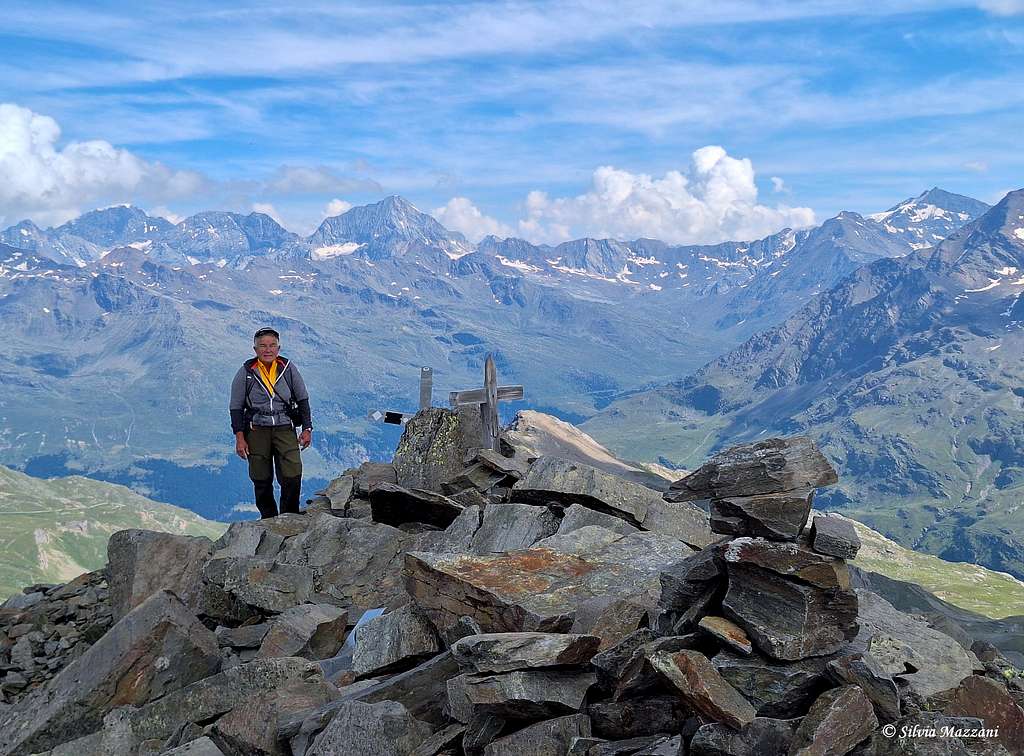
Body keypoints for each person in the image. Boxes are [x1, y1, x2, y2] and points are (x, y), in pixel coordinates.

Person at [229, 327, 313, 518]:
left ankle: (289, 516)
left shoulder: (288, 368)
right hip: (257, 430)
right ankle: (268, 518)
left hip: (284, 428)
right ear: (255, 349)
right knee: (260, 477)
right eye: (263, 346)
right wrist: (239, 438)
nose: (268, 350)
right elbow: (235, 407)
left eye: (272, 345)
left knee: (292, 472)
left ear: (278, 347)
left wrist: (307, 428)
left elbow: (303, 399)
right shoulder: (246, 373)